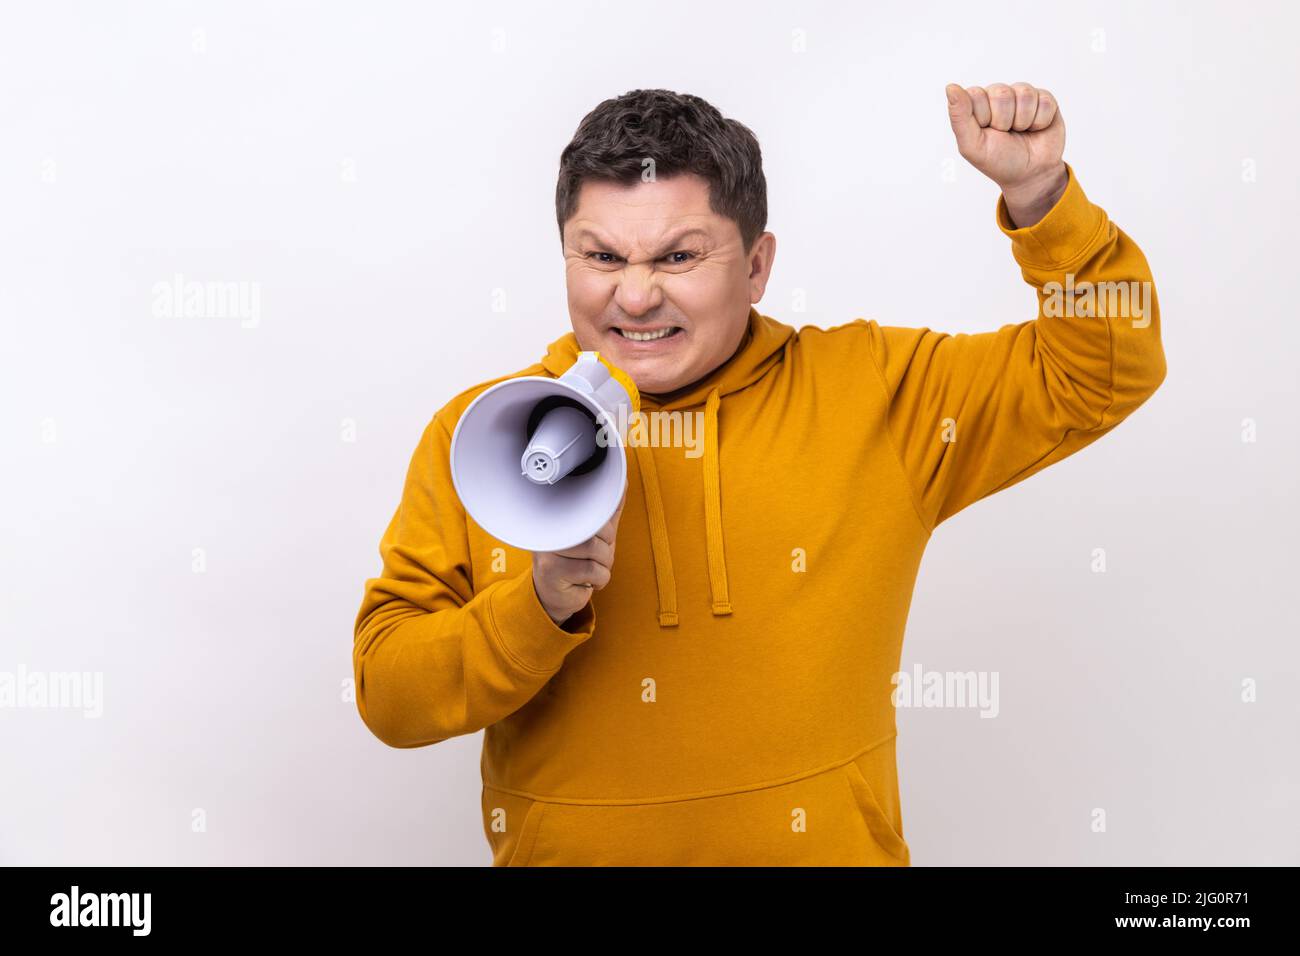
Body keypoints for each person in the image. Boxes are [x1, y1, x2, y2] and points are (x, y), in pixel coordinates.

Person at [352, 85, 1166, 866]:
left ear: (757, 265)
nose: (635, 296)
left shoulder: (877, 392)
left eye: (679, 255)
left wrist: (1045, 200)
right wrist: (534, 611)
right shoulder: (484, 436)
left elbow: (1104, 372)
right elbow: (390, 697)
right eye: (601, 255)